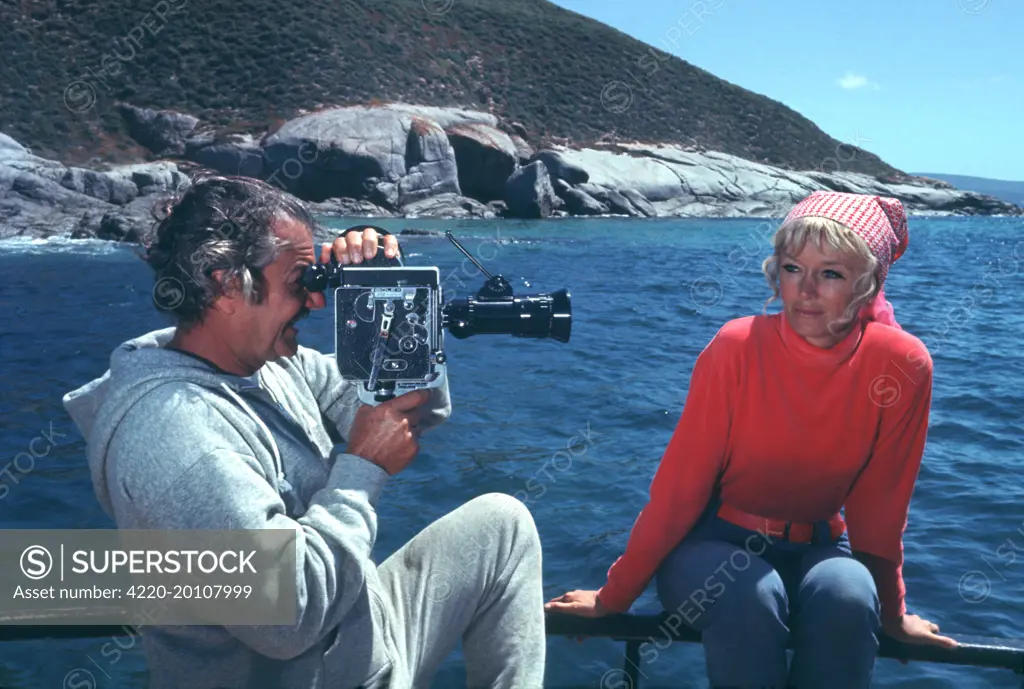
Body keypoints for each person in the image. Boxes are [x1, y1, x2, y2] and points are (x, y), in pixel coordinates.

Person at [62, 175, 545, 689]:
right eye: (299, 282)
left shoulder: (266, 366)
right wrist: (361, 472)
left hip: (355, 636)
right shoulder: (175, 436)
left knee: (503, 524)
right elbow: (285, 621)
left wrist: (384, 287)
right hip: (311, 671)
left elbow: (415, 409)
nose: (316, 302)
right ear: (227, 285)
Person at [545, 190, 957, 688]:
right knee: (750, 598)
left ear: (867, 285)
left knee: (848, 597)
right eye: (792, 268)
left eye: (830, 273)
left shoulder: (903, 364)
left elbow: (881, 509)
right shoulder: (735, 347)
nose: (805, 290)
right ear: (776, 271)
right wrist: (614, 597)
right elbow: (680, 490)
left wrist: (891, 615)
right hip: (715, 544)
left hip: (824, 547)